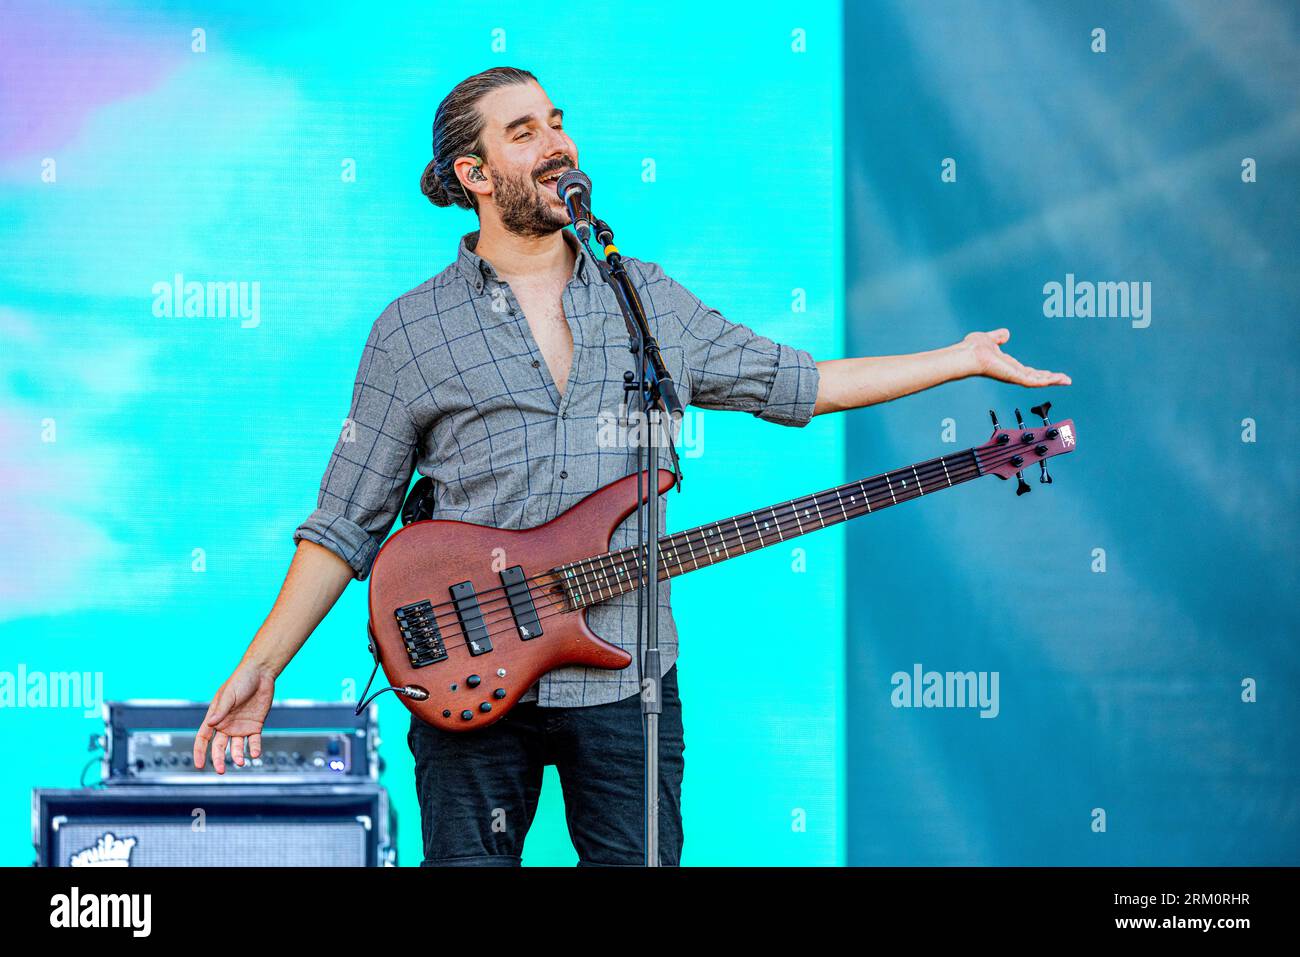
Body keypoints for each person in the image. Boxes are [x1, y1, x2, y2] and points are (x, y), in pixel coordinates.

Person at [192, 66, 1071, 866]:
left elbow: (804, 381)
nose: (556, 141)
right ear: (474, 174)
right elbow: (345, 523)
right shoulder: (409, 331)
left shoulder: (642, 295)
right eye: (524, 130)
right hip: (464, 679)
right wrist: (264, 665)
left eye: (558, 122)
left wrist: (957, 358)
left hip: (628, 680)